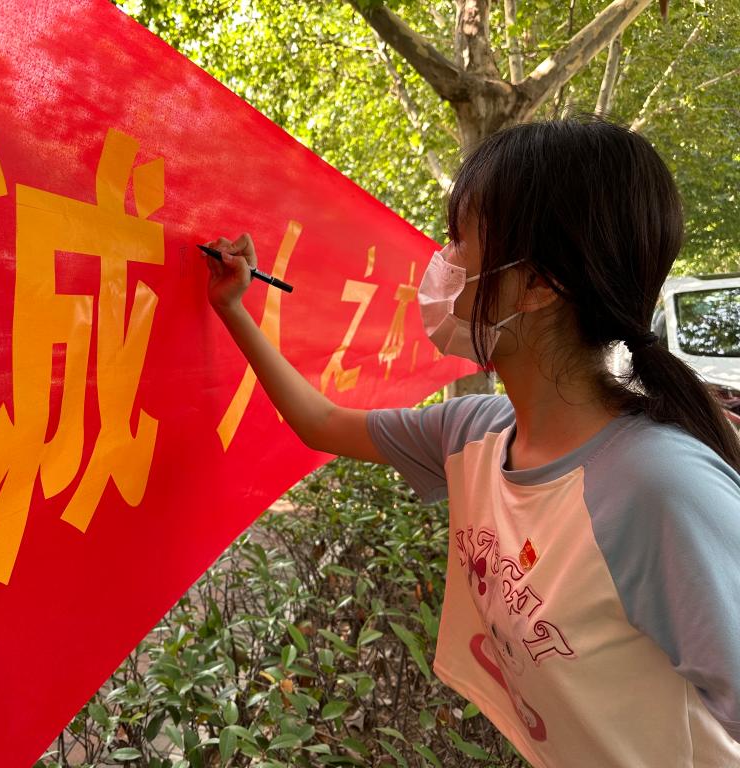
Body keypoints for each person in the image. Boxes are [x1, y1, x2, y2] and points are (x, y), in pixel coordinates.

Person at [201, 116, 740, 768]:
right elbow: (320, 422)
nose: (442, 263)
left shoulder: (657, 488)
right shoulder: (475, 433)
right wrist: (233, 308)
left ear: (538, 284)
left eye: (460, 241)